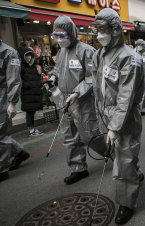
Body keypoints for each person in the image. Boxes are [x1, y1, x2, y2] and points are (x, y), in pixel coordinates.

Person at [91, 8, 144, 225]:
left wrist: (114, 126)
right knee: (125, 156)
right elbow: (96, 85)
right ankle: (135, 174)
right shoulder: (99, 54)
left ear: (115, 29)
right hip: (107, 113)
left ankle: (126, 203)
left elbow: (126, 96)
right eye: (96, 29)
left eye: (102, 29)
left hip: (125, 117)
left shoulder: (130, 58)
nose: (98, 34)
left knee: (123, 160)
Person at [49, 16, 106, 185]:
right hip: (64, 99)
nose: (59, 39)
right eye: (56, 36)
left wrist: (77, 93)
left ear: (71, 33)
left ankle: (113, 153)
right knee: (69, 136)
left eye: (62, 35)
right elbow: (57, 70)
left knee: (89, 135)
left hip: (82, 100)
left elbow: (91, 77)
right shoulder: (61, 53)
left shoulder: (86, 51)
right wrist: (53, 77)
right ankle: (78, 168)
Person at [0, 21, 30, 186]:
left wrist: (12, 102)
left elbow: (14, 80)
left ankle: (1, 170)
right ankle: (19, 152)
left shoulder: (9, 52)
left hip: (1, 96)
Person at [18, 46, 44, 136]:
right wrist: (27, 85)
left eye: (30, 55)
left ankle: (32, 128)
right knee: (29, 111)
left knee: (32, 111)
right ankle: (31, 129)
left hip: (34, 92)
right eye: (27, 55)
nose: (29, 57)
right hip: (28, 93)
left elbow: (37, 77)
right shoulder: (20, 67)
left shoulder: (34, 66)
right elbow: (18, 80)